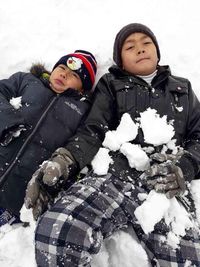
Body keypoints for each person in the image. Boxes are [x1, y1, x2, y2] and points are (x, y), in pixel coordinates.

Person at [25, 23, 200, 266]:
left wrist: (185, 167)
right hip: (114, 178)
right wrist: (64, 160)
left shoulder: (183, 88)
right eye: (130, 46)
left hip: (166, 189)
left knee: (188, 260)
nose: (140, 49)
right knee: (57, 231)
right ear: (120, 60)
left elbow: (199, 138)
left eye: (146, 43)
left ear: (157, 52)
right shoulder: (111, 84)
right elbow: (92, 130)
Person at [0, 50, 97, 226]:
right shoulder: (27, 81)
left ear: (82, 88)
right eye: (61, 67)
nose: (64, 74)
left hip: (17, 196)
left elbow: (82, 143)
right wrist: (7, 122)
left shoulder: (82, 111)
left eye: (74, 74)